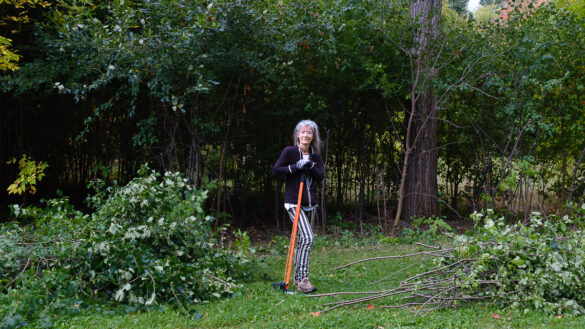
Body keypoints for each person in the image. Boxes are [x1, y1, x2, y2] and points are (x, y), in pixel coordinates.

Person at [272, 119, 325, 293]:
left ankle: (299, 279)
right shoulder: (289, 152)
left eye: (309, 132)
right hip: (294, 202)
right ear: (297, 134)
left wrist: (310, 166)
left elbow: (320, 176)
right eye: (303, 132)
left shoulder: (315, 155)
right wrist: (295, 166)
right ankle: (303, 279)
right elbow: (276, 171)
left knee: (304, 241)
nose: (306, 135)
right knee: (309, 237)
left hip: (310, 203)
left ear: (313, 136)